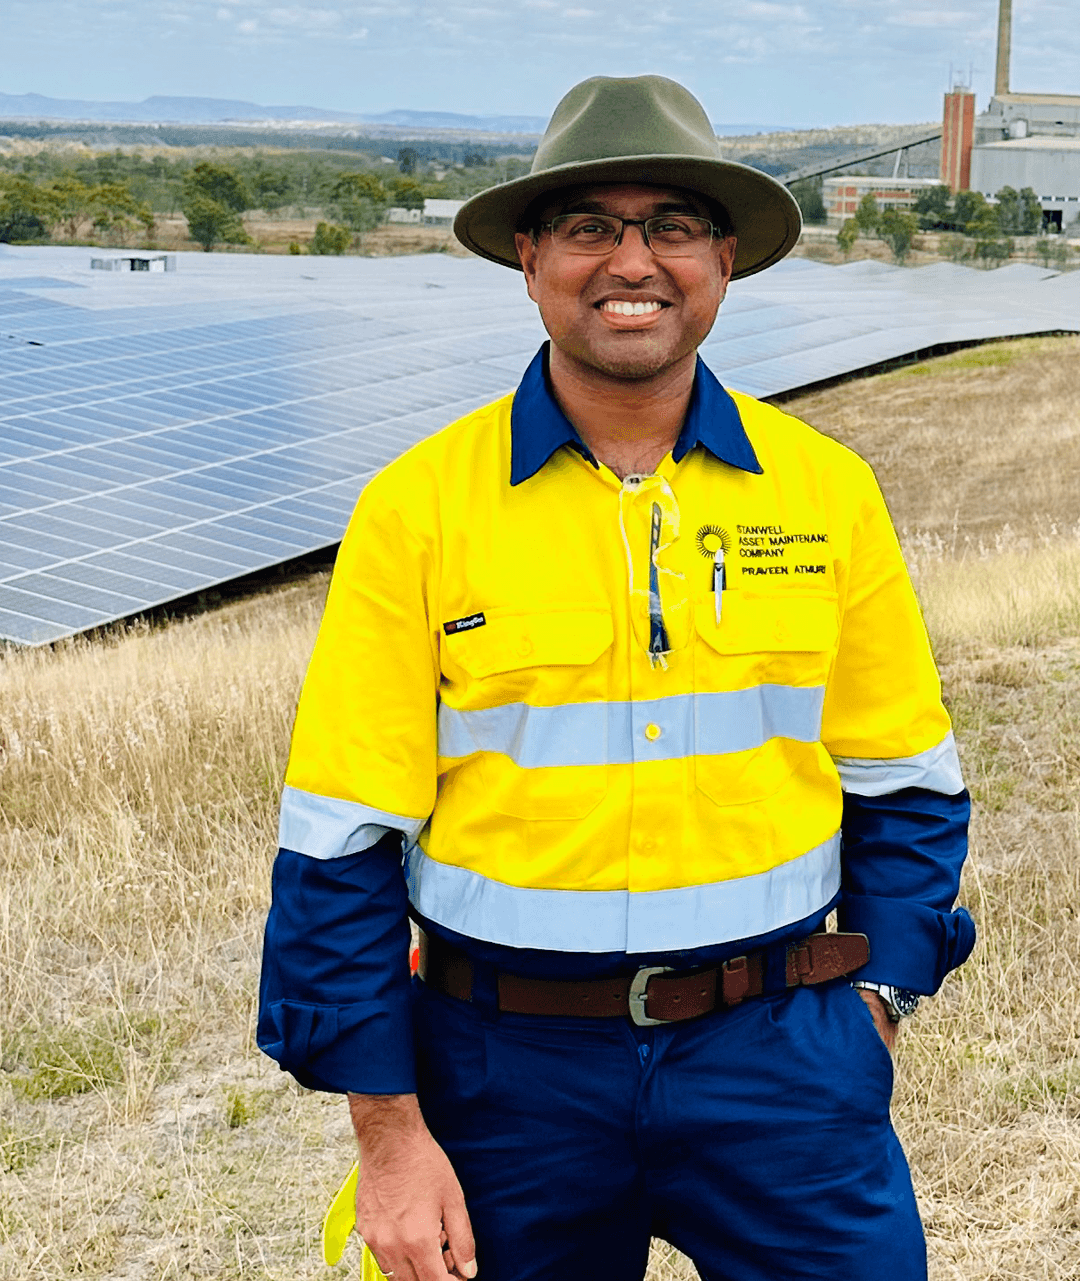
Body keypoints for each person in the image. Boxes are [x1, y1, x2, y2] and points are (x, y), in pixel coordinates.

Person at [257, 74, 974, 1281]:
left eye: (670, 227)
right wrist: (387, 1137)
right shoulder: (418, 509)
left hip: (783, 1063)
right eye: (590, 226)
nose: (629, 261)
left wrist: (880, 1006)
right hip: (503, 1081)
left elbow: (908, 782)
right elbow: (339, 844)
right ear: (530, 258)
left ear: (724, 261)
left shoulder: (827, 494)